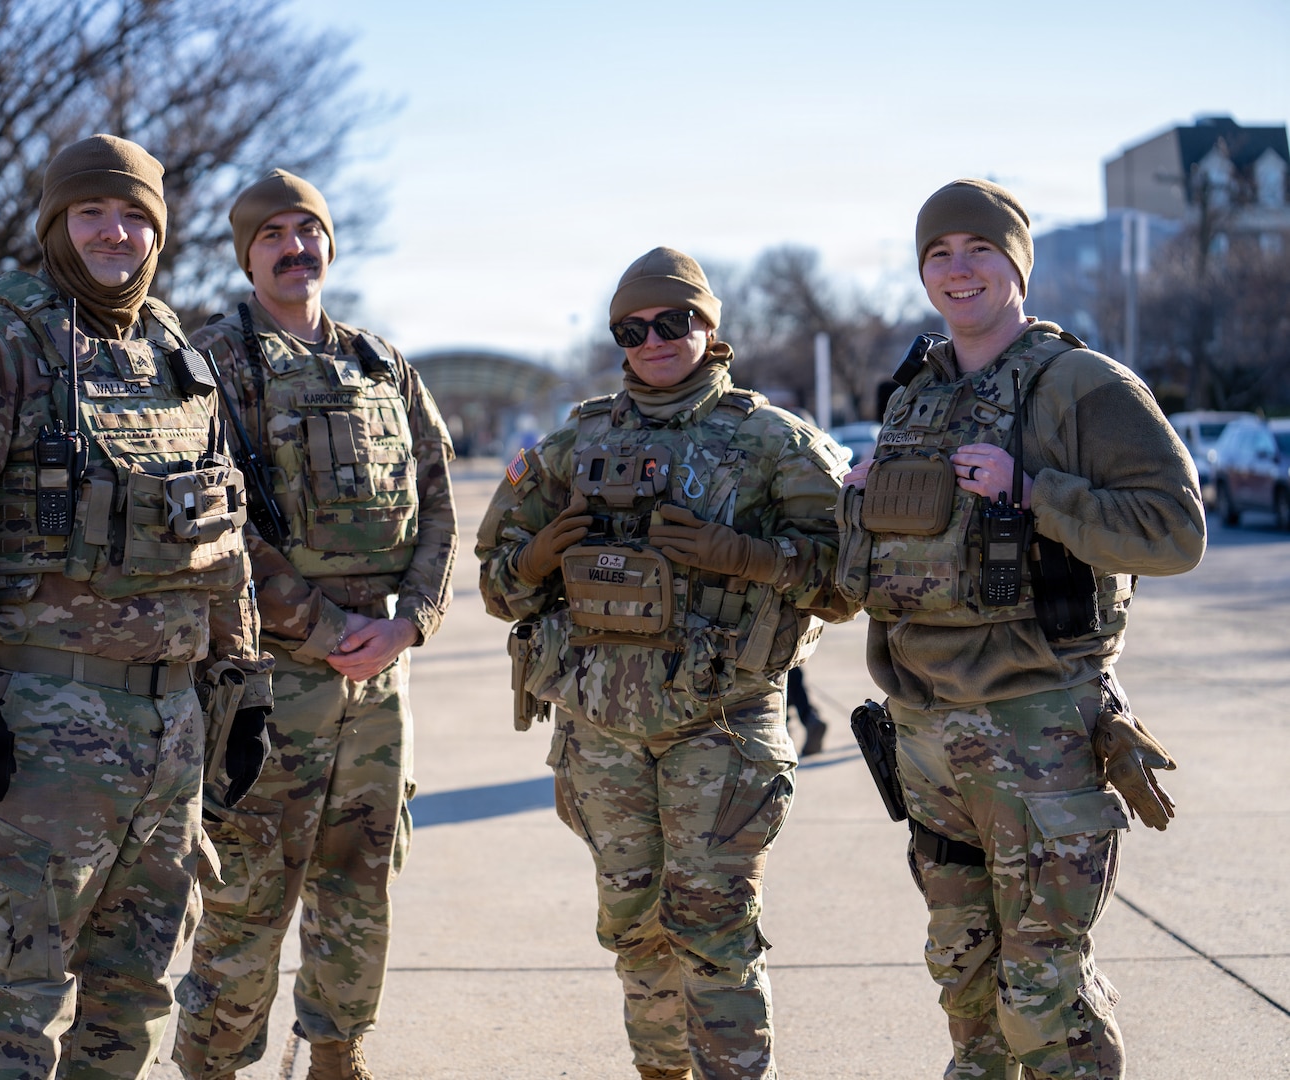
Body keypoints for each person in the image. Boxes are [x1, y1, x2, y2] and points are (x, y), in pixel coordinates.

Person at [0, 134, 273, 1080]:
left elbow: (223, 532)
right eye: (92, 211)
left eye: (136, 214)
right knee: (15, 1008)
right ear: (56, 221)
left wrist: (244, 678)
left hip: (172, 732)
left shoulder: (177, 354)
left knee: (128, 1004)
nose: (116, 231)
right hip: (42, 737)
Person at [836, 179, 1204, 1079]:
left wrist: (1034, 490)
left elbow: (1175, 532)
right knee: (967, 991)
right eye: (938, 254)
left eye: (979, 249)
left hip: (1037, 733)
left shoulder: (1082, 384)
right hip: (927, 737)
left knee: (1044, 1000)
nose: (958, 270)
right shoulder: (914, 395)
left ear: (1016, 262)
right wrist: (862, 502)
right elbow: (863, 579)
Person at [476, 248, 857, 1080]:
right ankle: (660, 1070)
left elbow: (848, 582)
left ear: (710, 326)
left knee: (714, 929)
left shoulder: (775, 443)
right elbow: (496, 587)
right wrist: (536, 557)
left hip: (719, 728)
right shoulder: (573, 444)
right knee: (632, 928)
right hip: (600, 729)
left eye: (674, 320)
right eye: (633, 327)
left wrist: (748, 557)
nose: (653, 338)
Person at [172, 169, 457, 1080]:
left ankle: (339, 1050)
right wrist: (323, 627)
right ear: (246, 255)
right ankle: (213, 1063)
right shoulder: (210, 364)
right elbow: (214, 525)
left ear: (330, 244)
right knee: (247, 893)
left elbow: (441, 503)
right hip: (267, 680)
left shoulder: (382, 364)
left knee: (361, 880)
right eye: (273, 236)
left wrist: (410, 622)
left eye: (309, 230)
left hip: (379, 680)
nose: (295, 248)